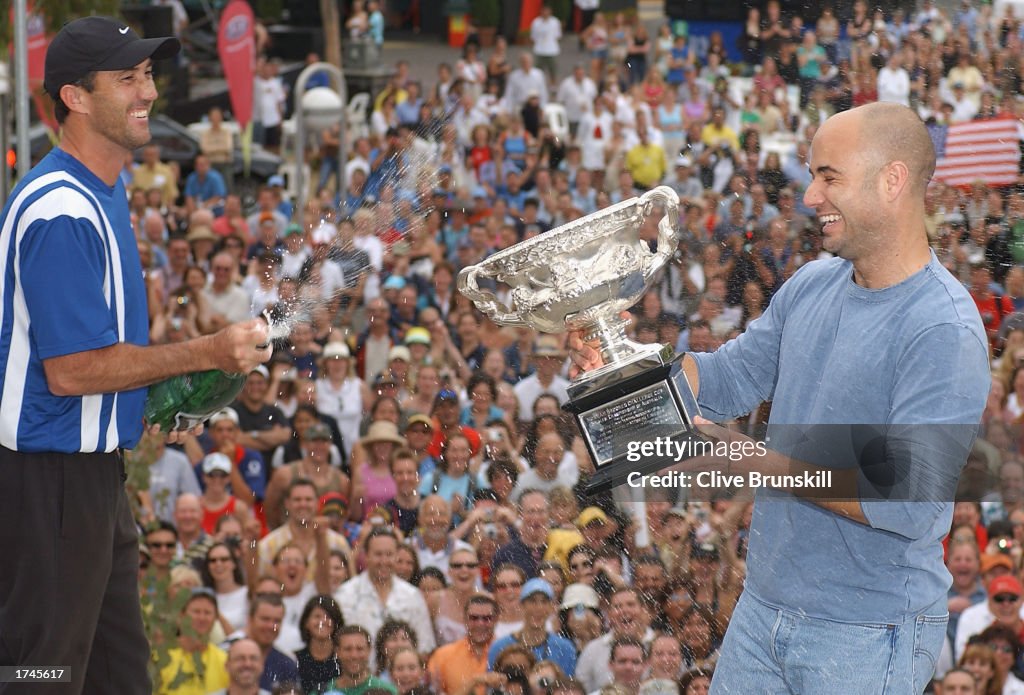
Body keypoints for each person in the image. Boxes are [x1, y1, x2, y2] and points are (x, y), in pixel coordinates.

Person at [569, 102, 990, 693]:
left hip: (866, 635)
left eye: (829, 176)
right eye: (812, 174)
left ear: (893, 180)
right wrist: (622, 366)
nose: (811, 196)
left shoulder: (942, 329)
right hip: (762, 608)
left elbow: (907, 503)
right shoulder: (812, 284)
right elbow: (722, 380)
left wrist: (751, 460)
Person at [0, 17, 270, 695]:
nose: (148, 90)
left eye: (148, 73)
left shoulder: (105, 188)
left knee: (118, 677)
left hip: (90, 477)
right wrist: (204, 351)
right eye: (127, 77)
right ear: (76, 97)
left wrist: (156, 402)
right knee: (40, 675)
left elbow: (82, 362)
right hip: (49, 485)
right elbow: (72, 369)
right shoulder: (61, 209)